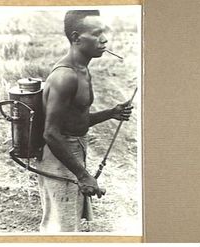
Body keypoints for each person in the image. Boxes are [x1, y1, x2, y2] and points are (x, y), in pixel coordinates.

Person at [37, 10, 133, 233]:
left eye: (104, 33)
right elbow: (51, 133)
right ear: (76, 37)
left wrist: (110, 113)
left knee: (69, 221)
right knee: (59, 227)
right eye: (96, 33)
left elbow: (74, 121)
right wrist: (83, 174)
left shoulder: (83, 70)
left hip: (72, 150)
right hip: (58, 154)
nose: (104, 39)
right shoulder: (65, 76)